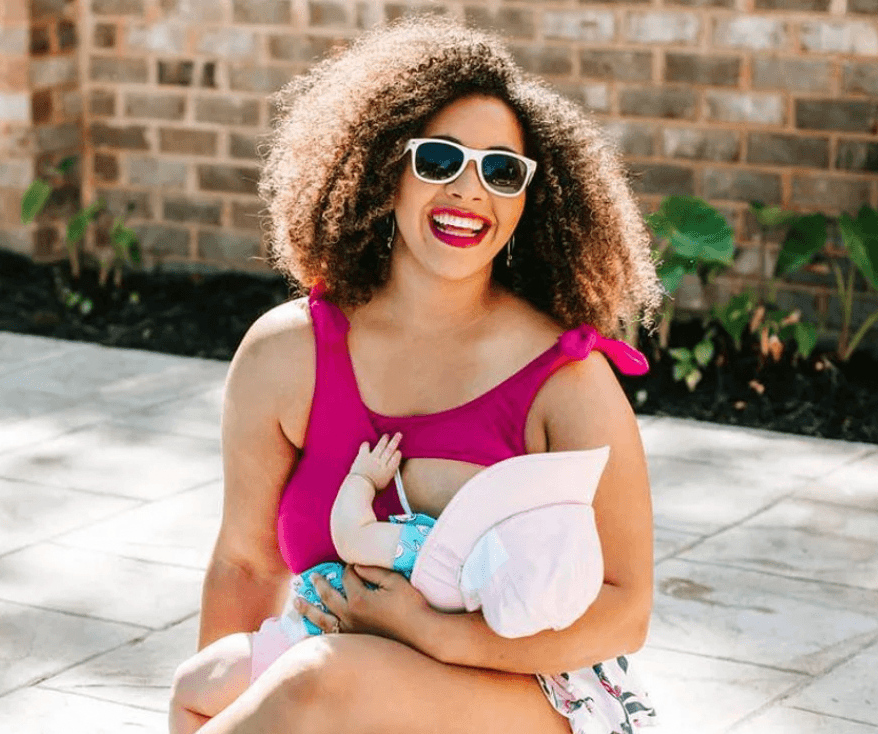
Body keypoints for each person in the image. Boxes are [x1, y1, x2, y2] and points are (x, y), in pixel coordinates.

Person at [183, 15, 662, 734]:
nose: (470, 191)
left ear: (529, 200)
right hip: (341, 676)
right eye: (439, 160)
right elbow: (247, 567)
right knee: (204, 684)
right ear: (387, 170)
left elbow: (625, 612)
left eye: (502, 171)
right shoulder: (288, 355)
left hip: (528, 692)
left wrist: (432, 632)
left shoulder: (566, 379)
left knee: (319, 680)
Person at [171, 431, 615, 733]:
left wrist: (362, 479)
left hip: (303, 639)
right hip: (378, 689)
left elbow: (352, 536)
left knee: (192, 689)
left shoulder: (433, 554)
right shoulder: (483, 609)